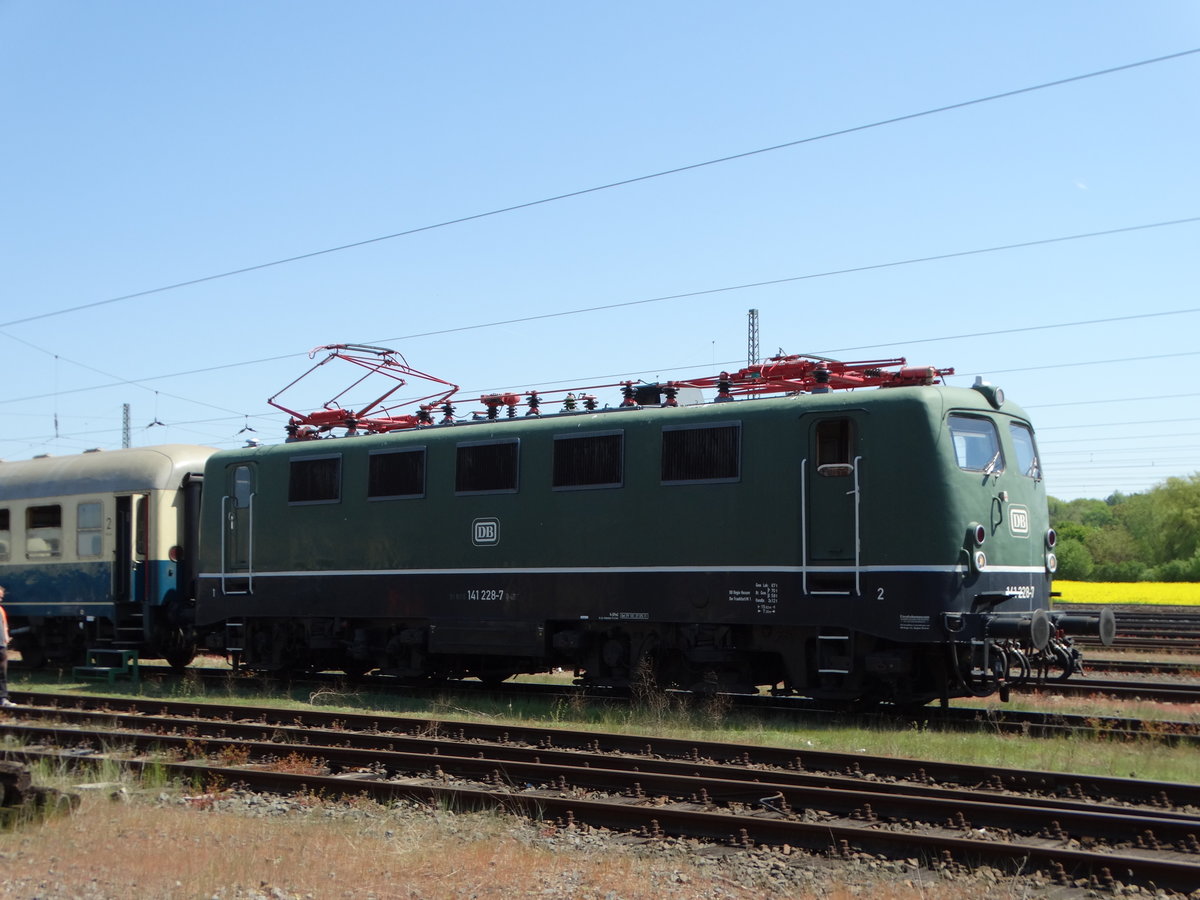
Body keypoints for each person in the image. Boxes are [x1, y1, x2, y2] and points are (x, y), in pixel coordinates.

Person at [0, 586, 13, 707]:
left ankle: (3, 698)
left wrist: (6, 637)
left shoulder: (1, 610)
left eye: (1, 597)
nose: (0, 599)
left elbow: (4, 626)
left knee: (2, 673)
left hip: (1, 646)